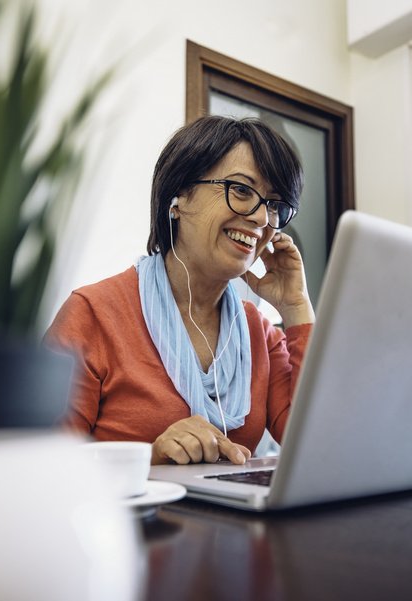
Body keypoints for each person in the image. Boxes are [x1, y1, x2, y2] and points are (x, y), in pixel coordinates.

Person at [45, 116, 314, 466]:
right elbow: (42, 465)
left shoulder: (259, 333)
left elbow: (319, 444)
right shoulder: (92, 313)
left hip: (234, 521)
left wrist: (296, 307)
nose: (262, 219)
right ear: (179, 198)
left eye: (274, 204)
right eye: (242, 190)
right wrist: (149, 459)